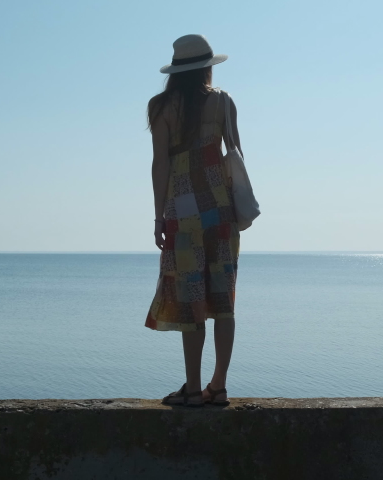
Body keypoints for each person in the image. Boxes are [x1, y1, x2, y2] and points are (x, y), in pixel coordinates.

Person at [144, 34, 242, 408]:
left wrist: (158, 217)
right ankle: (218, 387)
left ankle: (192, 386)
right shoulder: (223, 101)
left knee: (191, 298)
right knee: (224, 300)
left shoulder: (162, 106)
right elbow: (235, 154)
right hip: (221, 210)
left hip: (182, 215)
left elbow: (160, 164)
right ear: (206, 67)